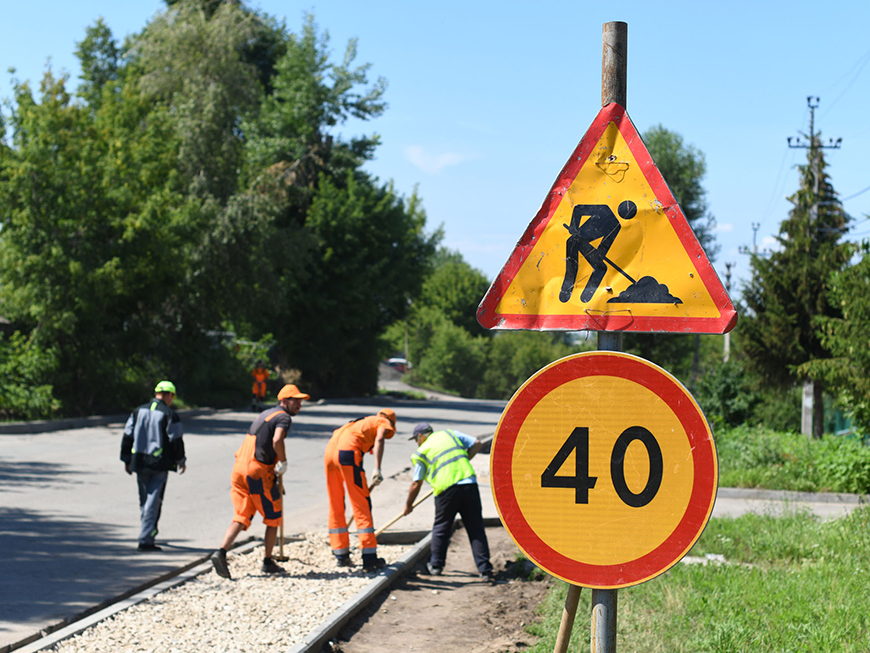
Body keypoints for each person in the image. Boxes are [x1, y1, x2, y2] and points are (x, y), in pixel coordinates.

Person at [210, 383, 310, 579]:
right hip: (256, 472)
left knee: (242, 515)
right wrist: (283, 462)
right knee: (273, 517)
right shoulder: (283, 417)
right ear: (284, 401)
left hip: (239, 469)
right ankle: (267, 561)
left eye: (300, 401)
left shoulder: (266, 414)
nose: (299, 404)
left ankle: (220, 553)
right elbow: (276, 440)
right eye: (295, 400)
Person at [403, 423, 493, 578]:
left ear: (420, 436)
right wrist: (465, 459)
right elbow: (477, 444)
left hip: (446, 491)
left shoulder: (422, 451)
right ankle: (485, 569)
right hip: (469, 484)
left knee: (441, 528)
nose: (417, 443)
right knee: (475, 527)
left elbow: (416, 483)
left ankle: (436, 566)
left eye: (416, 440)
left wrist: (408, 505)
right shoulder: (450, 434)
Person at [324, 409, 397, 570]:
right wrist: (377, 468)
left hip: (329, 453)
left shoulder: (359, 423)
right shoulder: (383, 422)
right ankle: (369, 557)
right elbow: (379, 440)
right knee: (361, 504)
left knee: (335, 502)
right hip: (347, 454)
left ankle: (340, 554)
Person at [120, 380, 186, 552]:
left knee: (145, 500)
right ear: (170, 395)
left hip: (139, 461)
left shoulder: (138, 411)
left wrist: (126, 458)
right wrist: (181, 460)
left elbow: (127, 435)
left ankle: (148, 532)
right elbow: (176, 440)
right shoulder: (169, 414)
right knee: (153, 501)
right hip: (159, 463)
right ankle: (146, 539)